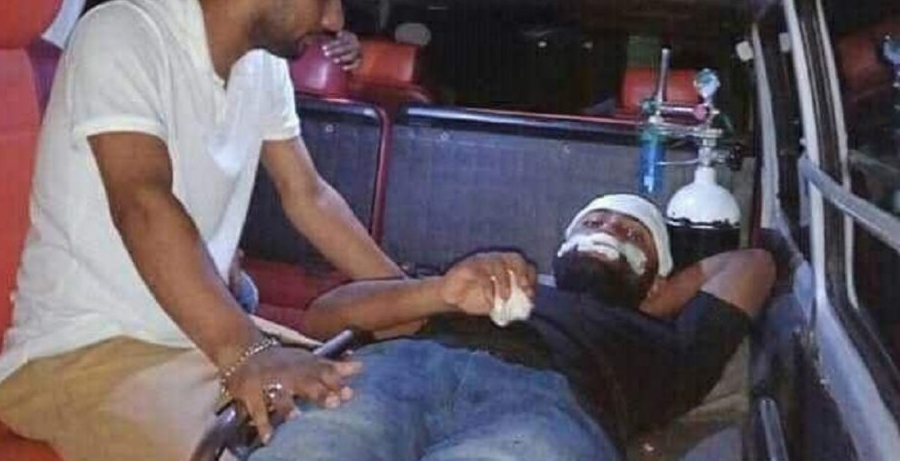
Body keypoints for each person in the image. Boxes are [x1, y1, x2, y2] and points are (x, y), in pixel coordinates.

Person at [0, 0, 404, 461]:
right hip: (80, 351)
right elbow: (142, 202)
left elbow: (308, 195)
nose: (334, 19)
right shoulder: (122, 35)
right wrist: (246, 352)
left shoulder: (263, 66)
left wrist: (412, 301)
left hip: (189, 340)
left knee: (380, 405)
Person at [248, 194, 777, 461]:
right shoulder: (485, 284)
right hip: (403, 373)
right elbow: (326, 316)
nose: (608, 231)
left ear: (658, 279)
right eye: (594, 223)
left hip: (549, 410)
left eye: (631, 235)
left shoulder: (664, 341)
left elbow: (752, 263)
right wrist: (440, 293)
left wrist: (650, 302)